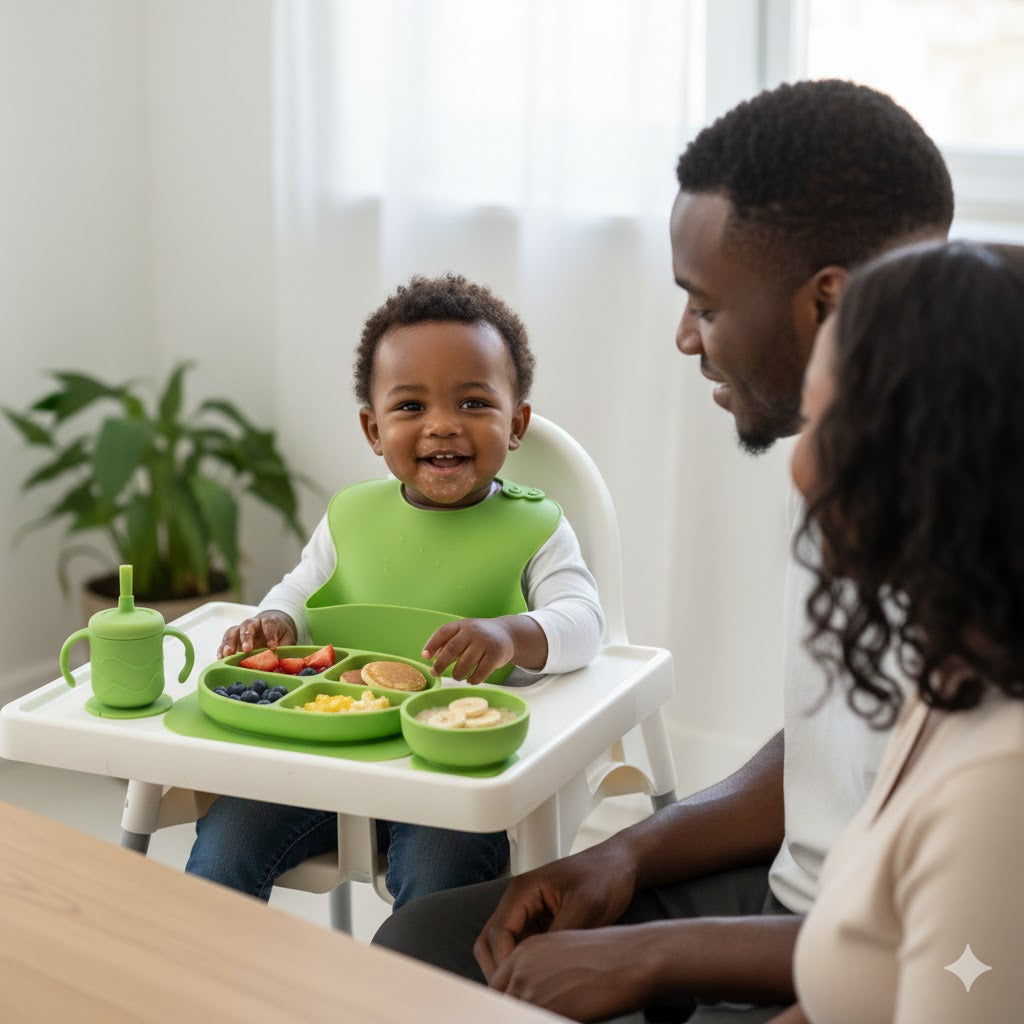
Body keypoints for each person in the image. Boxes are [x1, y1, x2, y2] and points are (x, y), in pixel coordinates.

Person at [372, 80, 954, 1022]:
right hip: (786, 904)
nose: (685, 338)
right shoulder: (839, 474)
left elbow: (960, 948)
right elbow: (833, 743)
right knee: (420, 951)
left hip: (887, 964)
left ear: (827, 304)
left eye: (705, 305)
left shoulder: (977, 542)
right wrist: (625, 853)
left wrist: (655, 954)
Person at [185, 273, 604, 909]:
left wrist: (510, 634)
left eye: (472, 404)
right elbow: (302, 586)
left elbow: (585, 622)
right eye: (411, 407)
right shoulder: (351, 515)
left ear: (516, 423)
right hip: (329, 749)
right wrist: (277, 619)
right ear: (373, 429)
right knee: (224, 843)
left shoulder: (536, 525)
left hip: (452, 768)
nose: (441, 426)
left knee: (441, 879)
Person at [787, 240, 1024, 1023]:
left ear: (924, 457)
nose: (799, 464)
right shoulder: (961, 672)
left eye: (819, 420)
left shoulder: (1000, 788)